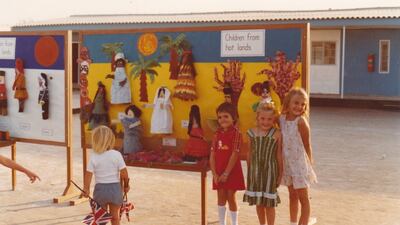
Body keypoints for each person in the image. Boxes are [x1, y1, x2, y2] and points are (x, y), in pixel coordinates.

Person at [279, 88, 317, 225]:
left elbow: (308, 145)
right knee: (292, 195)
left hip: (300, 165)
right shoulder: (281, 119)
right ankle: (293, 223)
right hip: (288, 165)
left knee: (304, 198)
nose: (299, 107)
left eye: (303, 104)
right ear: (288, 103)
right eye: (296, 103)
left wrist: (309, 166)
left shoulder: (301, 122)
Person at [243, 103, 283, 225]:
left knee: (269, 203)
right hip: (255, 173)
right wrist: (250, 171)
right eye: (263, 119)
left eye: (269, 119)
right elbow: (249, 153)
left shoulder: (277, 134)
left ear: (274, 119)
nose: (266, 122)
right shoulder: (251, 133)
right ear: (258, 118)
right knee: (259, 202)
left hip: (270, 172)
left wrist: (280, 174)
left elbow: (279, 155)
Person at [83, 126, 130, 225]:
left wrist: (86, 188)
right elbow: (124, 173)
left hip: (100, 190)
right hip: (115, 190)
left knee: (100, 219)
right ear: (110, 139)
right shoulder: (116, 154)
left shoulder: (94, 156)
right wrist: (126, 185)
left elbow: (88, 174)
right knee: (115, 217)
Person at [209, 102, 245, 225]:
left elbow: (235, 154)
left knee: (231, 197)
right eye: (220, 117)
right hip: (218, 170)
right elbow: (212, 154)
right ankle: (222, 222)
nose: (222, 120)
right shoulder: (216, 134)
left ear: (233, 118)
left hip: (232, 171)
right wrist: (214, 173)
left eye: (226, 116)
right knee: (220, 196)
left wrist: (226, 173)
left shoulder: (236, 134)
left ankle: (234, 223)